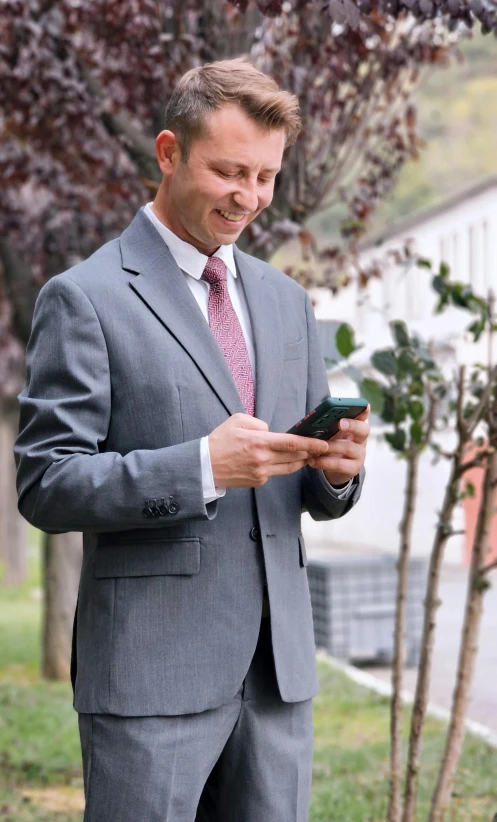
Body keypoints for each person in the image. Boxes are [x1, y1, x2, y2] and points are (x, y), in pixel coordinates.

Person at [14, 57, 369, 822]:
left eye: (266, 177)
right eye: (228, 172)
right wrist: (202, 467)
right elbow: (46, 484)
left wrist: (335, 474)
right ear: (168, 152)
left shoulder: (286, 301)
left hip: (277, 679)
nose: (249, 198)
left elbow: (300, 484)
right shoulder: (84, 298)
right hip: (150, 679)